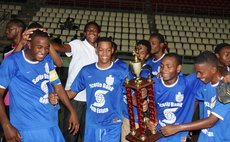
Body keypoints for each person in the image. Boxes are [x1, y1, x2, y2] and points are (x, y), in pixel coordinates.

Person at [0, 29, 79, 141]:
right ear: (29, 44)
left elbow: (57, 86)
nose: (43, 51)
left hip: (50, 122)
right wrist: (6, 125)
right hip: (27, 126)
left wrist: (72, 111)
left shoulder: (47, 61)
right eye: (39, 47)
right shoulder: (12, 62)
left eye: (47, 48)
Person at [50, 37, 129, 142]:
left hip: (112, 123)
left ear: (112, 50)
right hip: (92, 123)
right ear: (96, 50)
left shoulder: (121, 71)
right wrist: (56, 94)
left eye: (108, 50)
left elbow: (131, 94)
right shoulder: (87, 70)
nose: (104, 53)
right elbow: (72, 93)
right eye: (101, 50)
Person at [160, 51, 230, 142]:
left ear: (213, 69)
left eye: (200, 72)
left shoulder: (225, 88)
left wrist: (178, 128)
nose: (198, 76)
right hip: (204, 138)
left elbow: (211, 121)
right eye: (197, 72)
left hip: (221, 138)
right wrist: (189, 126)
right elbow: (195, 100)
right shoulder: (205, 85)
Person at [51, 21, 100, 142]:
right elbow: (62, 48)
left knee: (87, 135)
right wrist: (45, 40)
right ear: (84, 33)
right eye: (89, 30)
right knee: (70, 134)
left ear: (98, 34)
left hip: (92, 100)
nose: (92, 32)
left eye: (94, 30)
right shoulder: (78, 44)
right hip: (74, 98)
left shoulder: (101, 51)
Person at [146, 53, 203, 142]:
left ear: (178, 68)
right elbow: (153, 108)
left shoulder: (189, 83)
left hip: (179, 135)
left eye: (169, 66)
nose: (164, 69)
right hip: (158, 134)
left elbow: (210, 68)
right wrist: (152, 119)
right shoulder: (154, 84)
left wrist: (226, 73)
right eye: (162, 66)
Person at [121, 40, 152, 142]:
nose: (138, 55)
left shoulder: (146, 71)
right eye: (137, 51)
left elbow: (142, 93)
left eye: (142, 53)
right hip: (126, 116)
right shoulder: (127, 68)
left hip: (139, 119)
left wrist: (141, 98)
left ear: (147, 56)